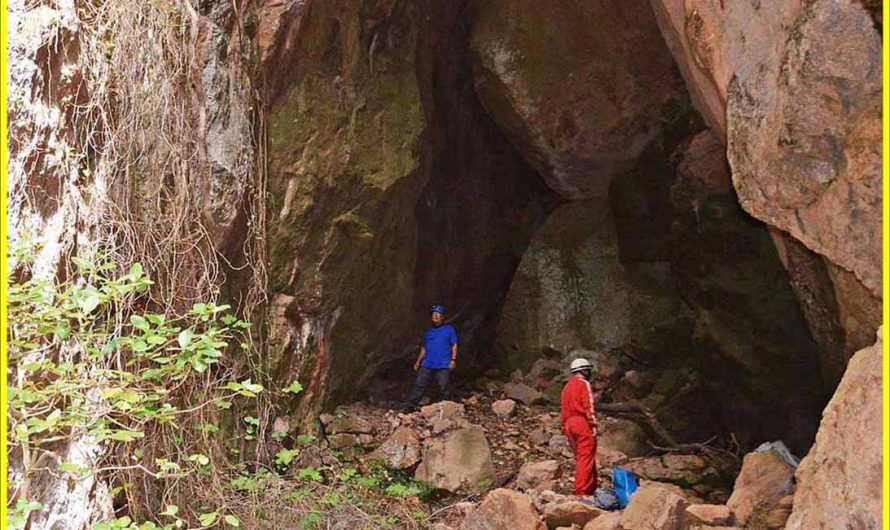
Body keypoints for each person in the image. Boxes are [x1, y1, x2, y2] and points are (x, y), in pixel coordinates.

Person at [403, 305, 458, 412]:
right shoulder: (429, 332)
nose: (435, 316)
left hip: (443, 363)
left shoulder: (449, 329)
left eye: (438, 314)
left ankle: (447, 409)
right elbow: (424, 347)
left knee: (444, 386)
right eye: (434, 314)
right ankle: (409, 407)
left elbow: (454, 344)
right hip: (427, 363)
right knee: (419, 385)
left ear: (442, 317)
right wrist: (418, 361)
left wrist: (453, 360)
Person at [561, 357, 598, 496]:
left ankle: (591, 488)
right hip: (581, 422)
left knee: (582, 457)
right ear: (584, 370)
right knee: (586, 458)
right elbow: (589, 405)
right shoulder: (584, 384)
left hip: (569, 424)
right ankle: (582, 491)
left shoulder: (566, 387)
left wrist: (564, 428)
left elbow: (563, 410)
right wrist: (593, 424)